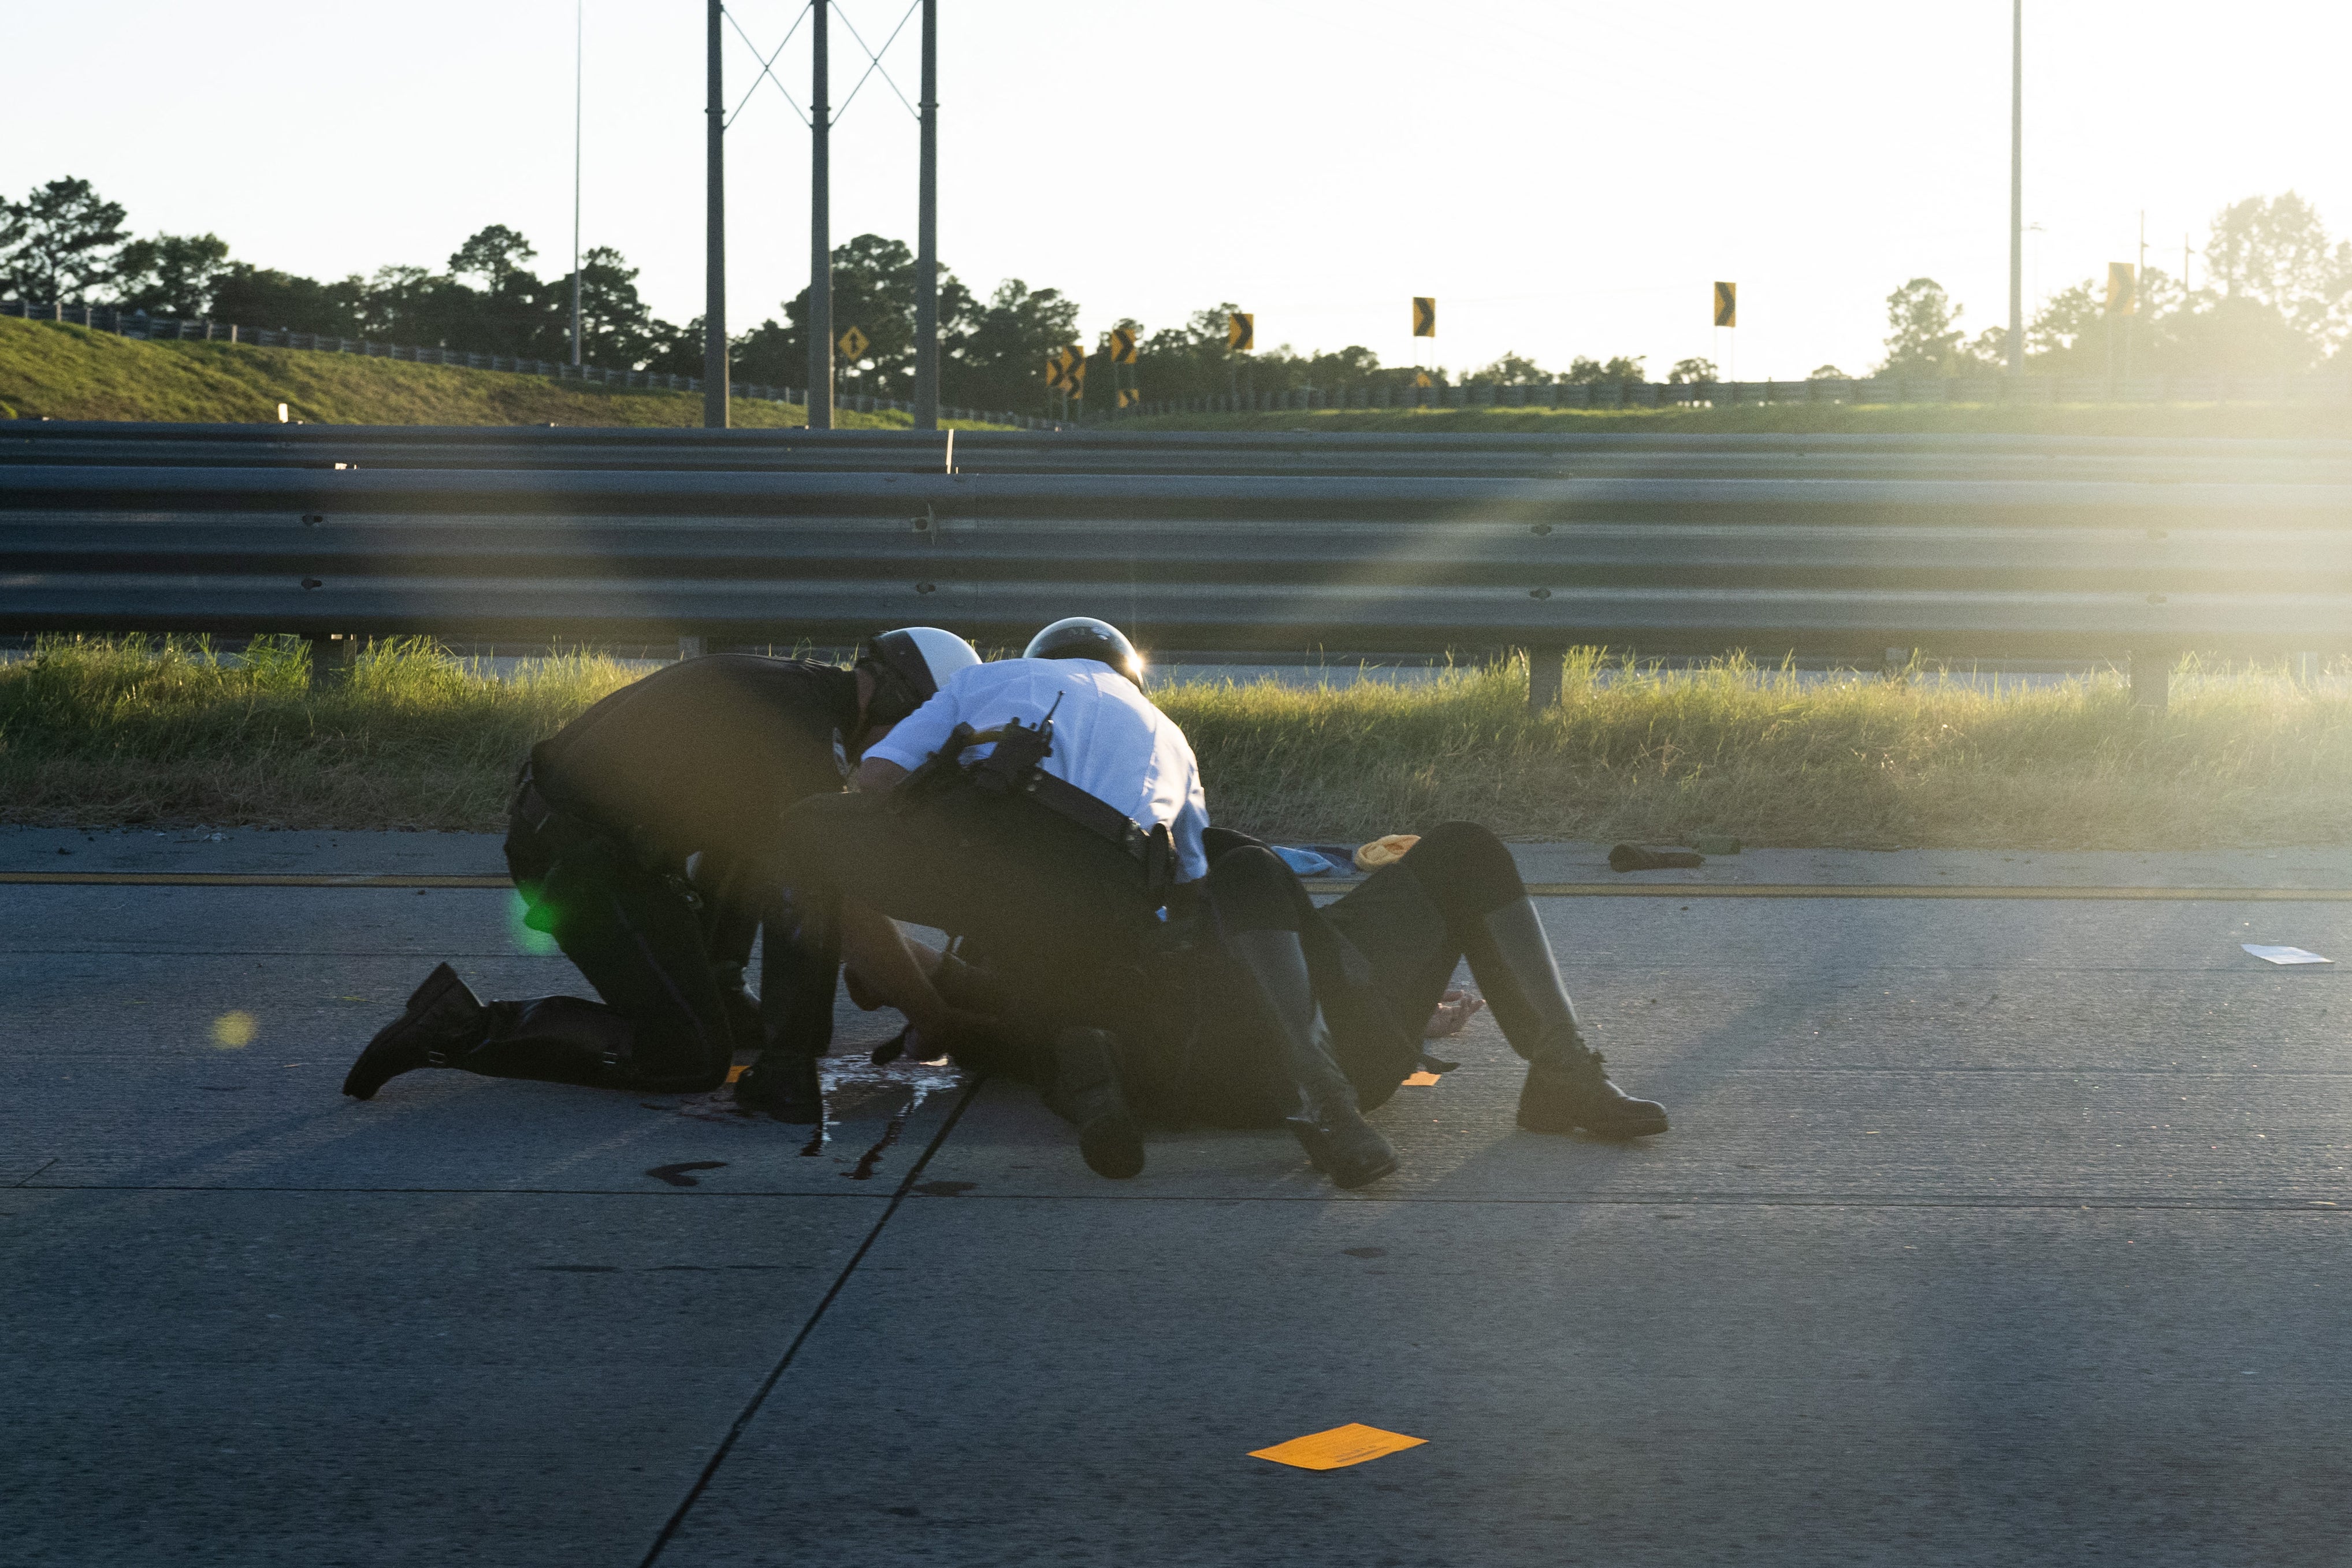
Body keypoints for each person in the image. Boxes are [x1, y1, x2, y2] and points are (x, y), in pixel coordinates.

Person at [752, 616, 1399, 1188]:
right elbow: (1194, 883)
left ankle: (786, 1062)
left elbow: (877, 780)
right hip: (1112, 892)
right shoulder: (1171, 736)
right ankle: (1082, 1057)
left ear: (1045, 653)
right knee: (1062, 976)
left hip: (988, 851)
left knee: (802, 829)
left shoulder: (990, 678)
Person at [339, 629, 981, 1103]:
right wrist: (935, 1016)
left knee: (766, 1017)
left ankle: (716, 983)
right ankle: (461, 1025)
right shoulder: (798, 734)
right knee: (691, 1055)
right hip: (579, 861)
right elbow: (839, 906)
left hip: (618, 849)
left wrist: (919, 986)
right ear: (906, 700)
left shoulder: (804, 697)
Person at [844, 820, 1669, 1186]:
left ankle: (1559, 1070)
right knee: (1243, 864)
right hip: (1222, 1058)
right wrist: (916, 987)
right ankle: (1323, 1106)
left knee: (1464, 848)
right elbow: (965, 1005)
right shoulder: (1018, 913)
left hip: (1335, 1015)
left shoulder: (1164, 827)